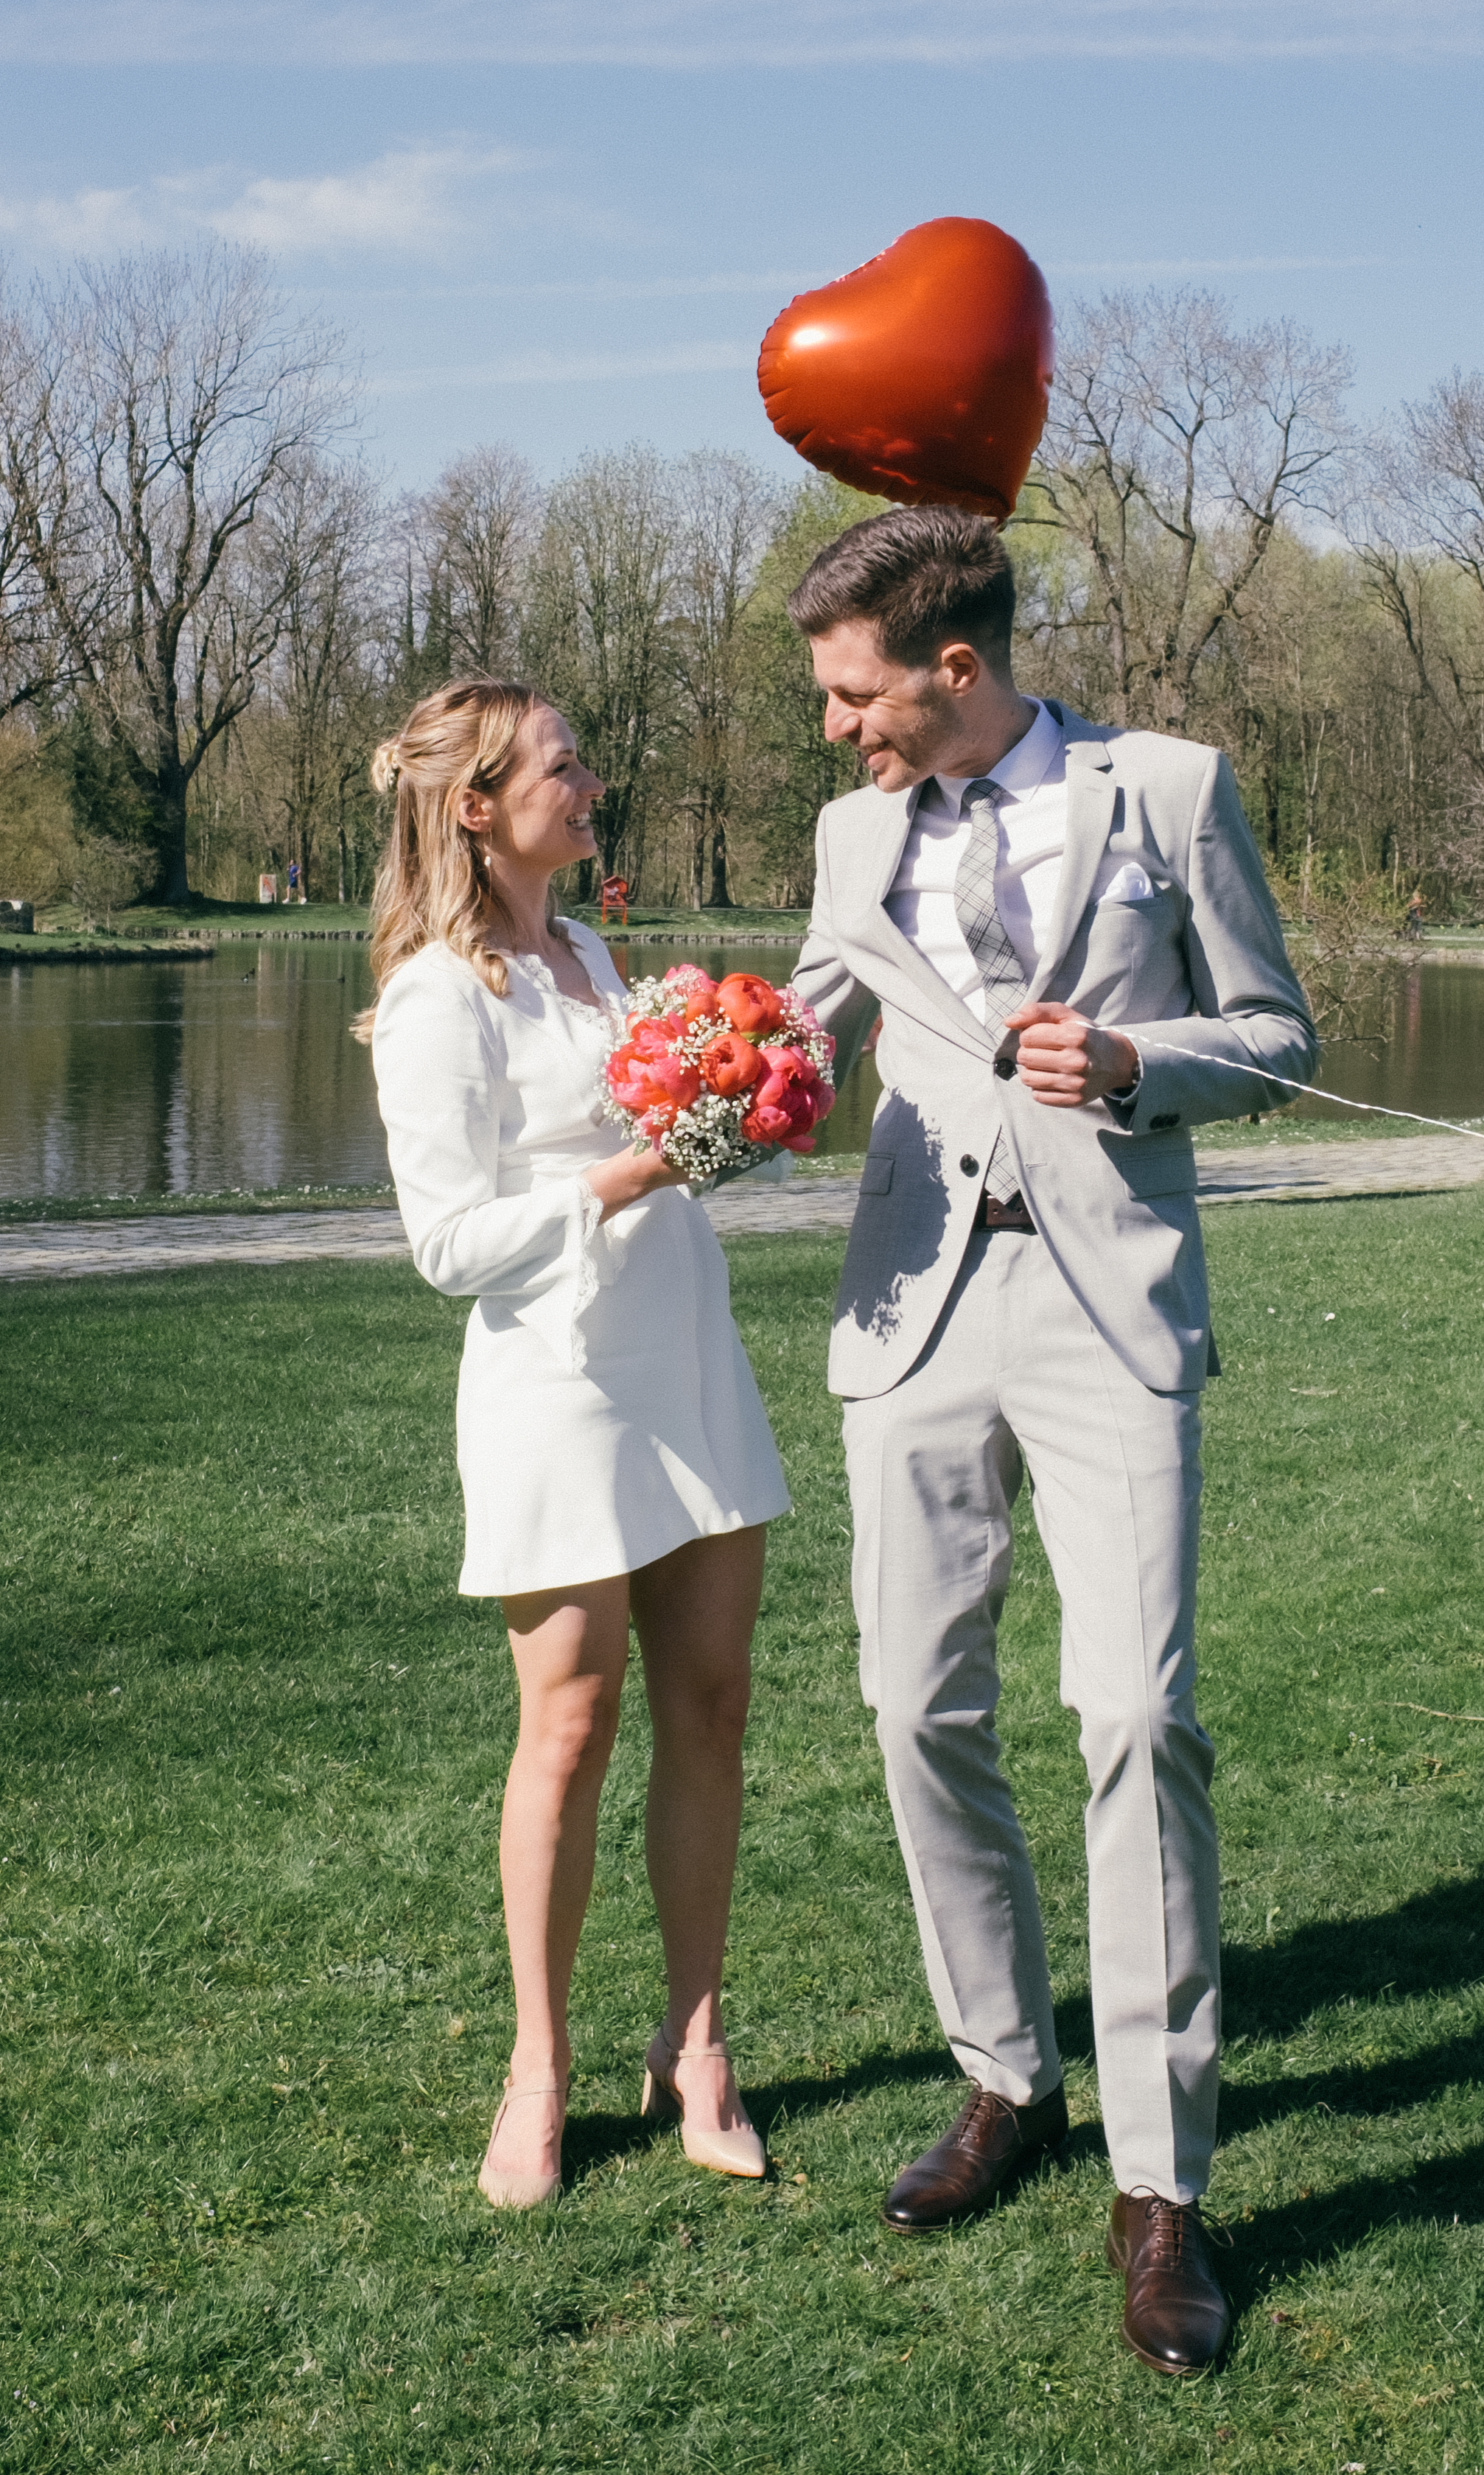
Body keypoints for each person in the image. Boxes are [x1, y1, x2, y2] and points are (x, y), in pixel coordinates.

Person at [787, 510, 1317, 2376]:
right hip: (914, 1311)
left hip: (1109, 1316)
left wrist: (1147, 1063)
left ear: (952, 667)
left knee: (1134, 1715)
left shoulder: (1167, 789)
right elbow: (808, 1023)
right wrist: (730, 1074)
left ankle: (1161, 2188)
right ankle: (1001, 2077)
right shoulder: (853, 836)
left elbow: (1275, 1029)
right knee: (914, 1708)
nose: (838, 733)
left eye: (856, 697)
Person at [360, 676, 791, 2210]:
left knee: (716, 1703)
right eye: (561, 766)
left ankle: (698, 2049)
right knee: (572, 1724)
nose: (589, 782)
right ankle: (538, 2069)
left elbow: (666, 1133)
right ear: (474, 806)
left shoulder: (598, 955)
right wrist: (622, 1179)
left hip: (684, 1350)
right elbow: (451, 1243)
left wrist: (736, 1105)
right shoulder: (432, 996)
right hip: (555, 1383)